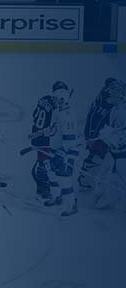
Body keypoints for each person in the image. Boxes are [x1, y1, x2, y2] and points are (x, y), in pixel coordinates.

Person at [81, 79, 125, 191]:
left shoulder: (117, 109)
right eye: (111, 88)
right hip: (100, 139)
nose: (110, 91)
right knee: (97, 161)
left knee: (105, 163)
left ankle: (90, 183)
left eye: (116, 90)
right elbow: (92, 118)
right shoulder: (101, 103)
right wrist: (90, 136)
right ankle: (87, 182)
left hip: (110, 143)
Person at [43, 82, 79, 217]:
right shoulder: (57, 111)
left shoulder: (68, 114)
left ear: (63, 98)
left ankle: (71, 205)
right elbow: (54, 129)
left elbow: (70, 138)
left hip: (66, 151)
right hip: (55, 148)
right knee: (51, 172)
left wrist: (63, 152)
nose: (55, 101)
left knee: (64, 178)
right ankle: (56, 197)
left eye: (57, 99)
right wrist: (44, 132)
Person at [29, 84, 60, 202]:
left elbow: (34, 115)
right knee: (45, 163)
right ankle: (43, 190)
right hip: (45, 138)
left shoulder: (43, 99)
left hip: (36, 133)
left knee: (44, 162)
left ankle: (45, 187)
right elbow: (52, 127)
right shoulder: (55, 107)